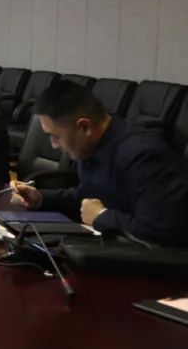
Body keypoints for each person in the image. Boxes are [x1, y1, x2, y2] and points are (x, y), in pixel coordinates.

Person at [10, 79, 188, 246]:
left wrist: (102, 216)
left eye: (55, 136)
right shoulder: (92, 144)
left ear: (84, 127)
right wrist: (40, 198)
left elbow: (162, 230)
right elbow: (87, 198)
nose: (54, 145)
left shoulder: (143, 155)